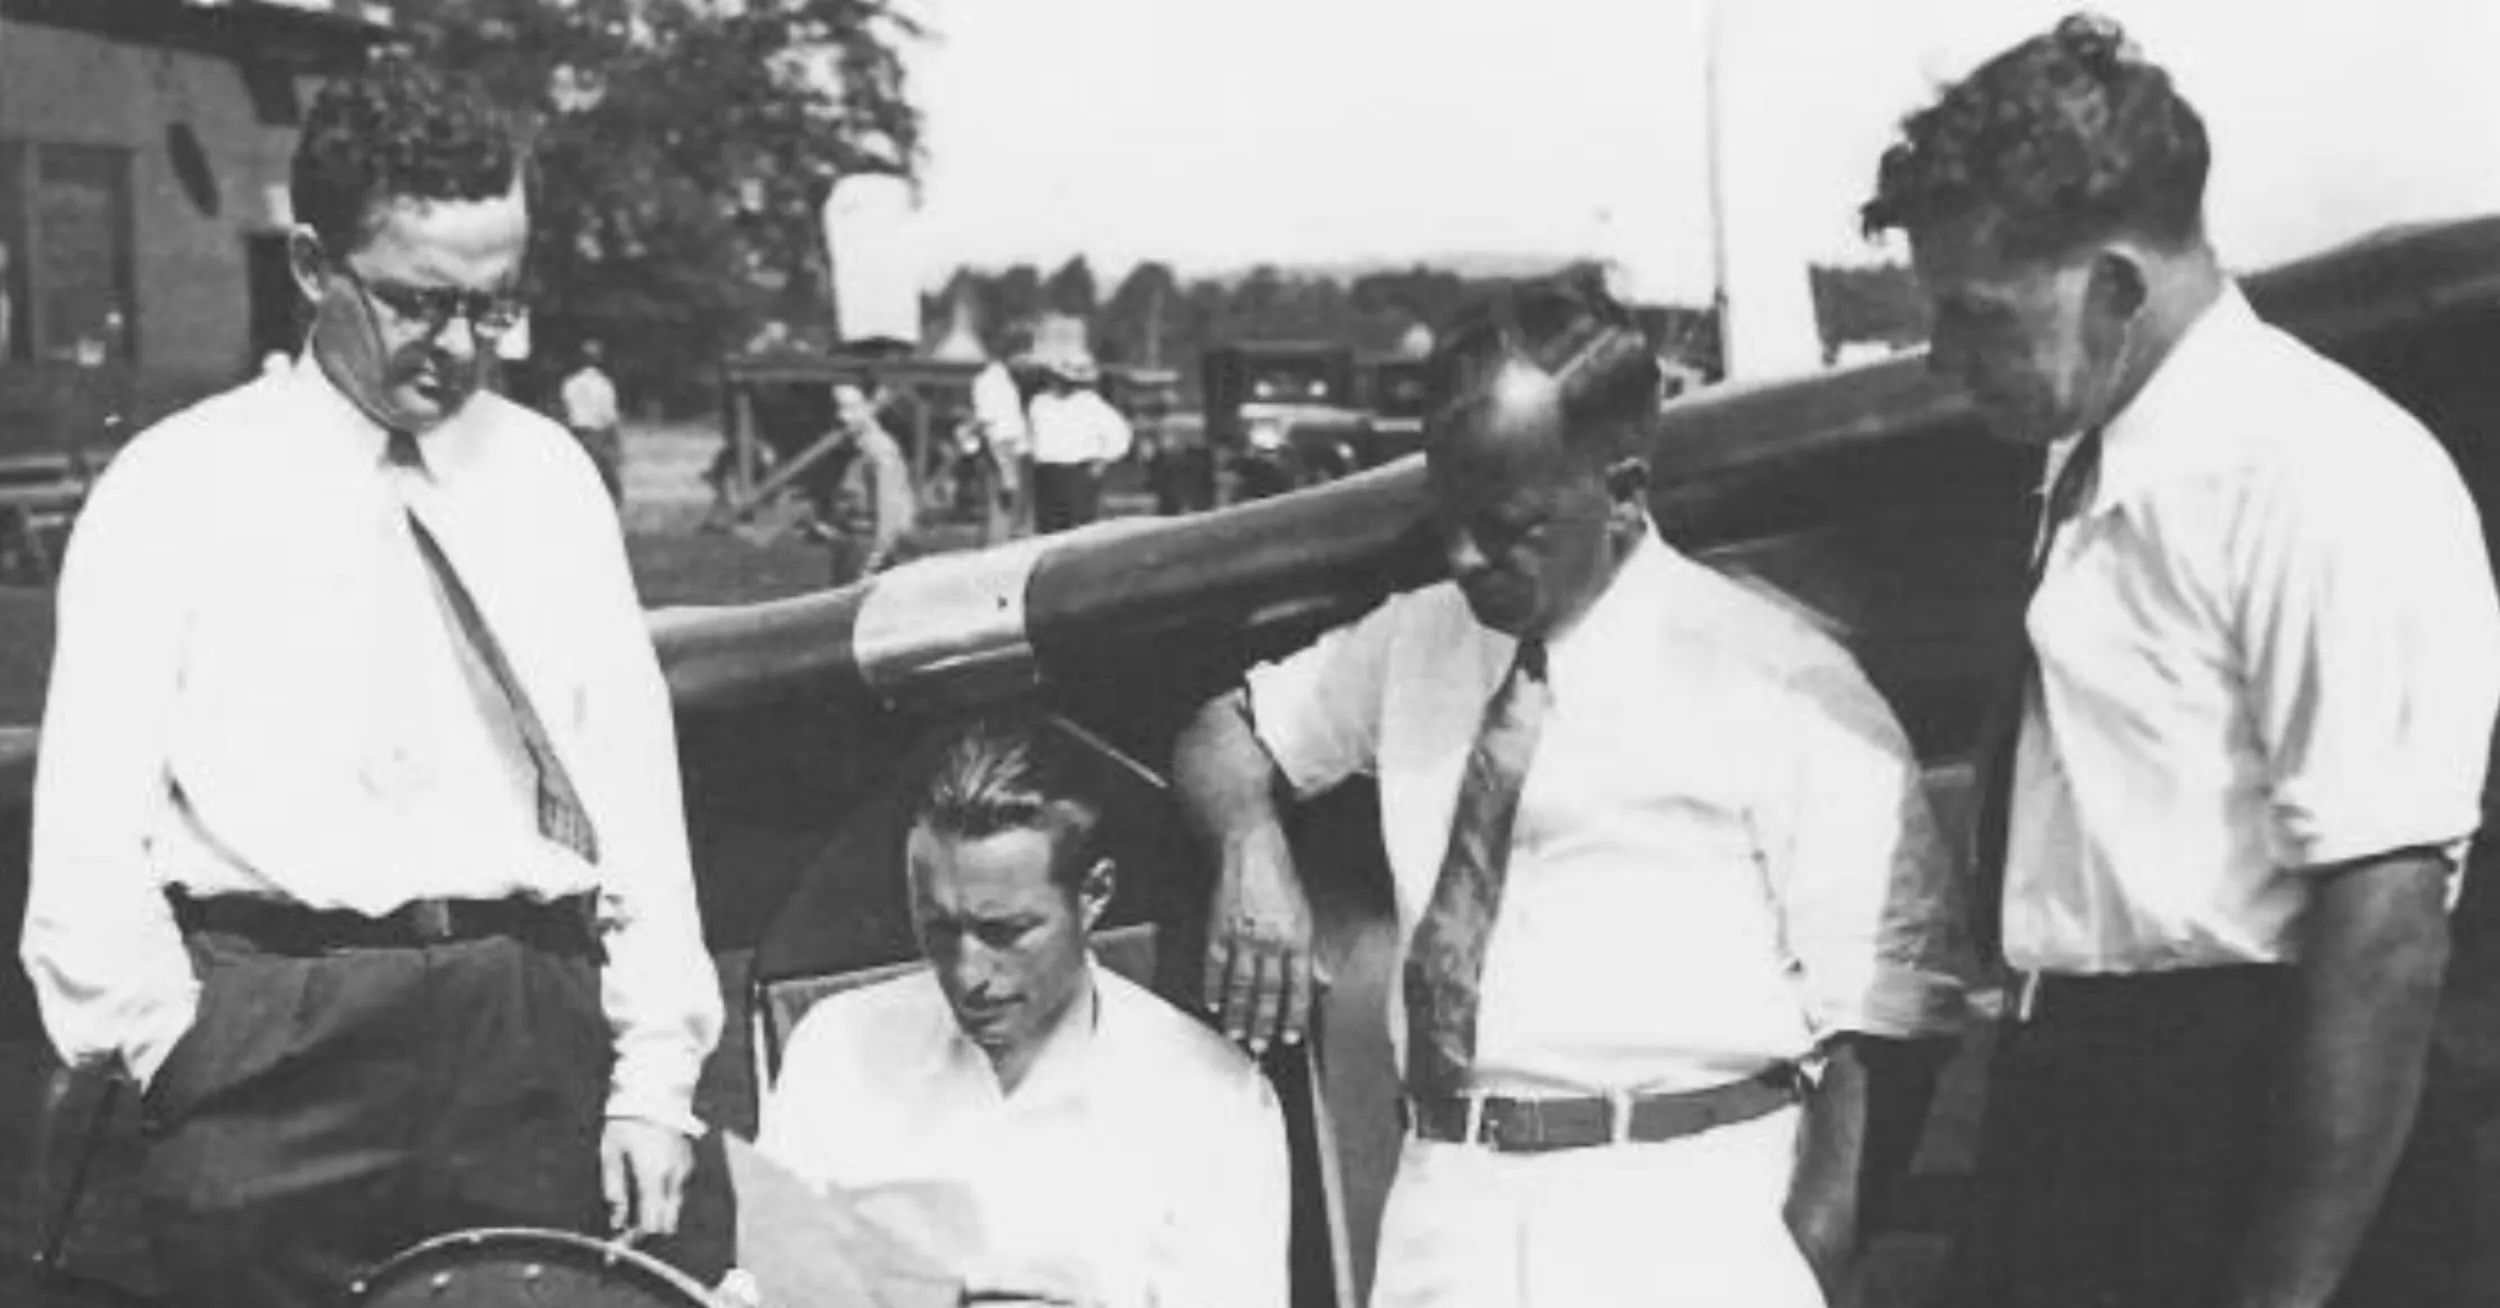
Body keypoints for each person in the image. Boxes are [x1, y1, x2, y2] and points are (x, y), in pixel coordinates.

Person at [19, 58, 722, 1308]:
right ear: (307, 265)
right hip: (268, 1052)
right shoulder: (175, 489)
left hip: (524, 1034)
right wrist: (177, 1049)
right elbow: (84, 843)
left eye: (494, 308)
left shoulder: (550, 480)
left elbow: (637, 799)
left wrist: (654, 1081)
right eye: (417, 302)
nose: (459, 348)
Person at [1860, 16, 2500, 1308]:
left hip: (2253, 1122)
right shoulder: (2090, 448)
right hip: (2074, 1108)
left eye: (1976, 317)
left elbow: (2383, 936)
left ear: (2114, 286)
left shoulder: (2320, 478)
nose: (1939, 360)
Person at [1174, 273, 1967, 1308]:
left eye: (1506, 525)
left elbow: (1887, 1017)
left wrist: (1798, 1269)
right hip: (1446, 1215)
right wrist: (1249, 844)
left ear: (1624, 490)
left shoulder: (1782, 687)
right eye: (1446, 514)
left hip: (1679, 1210)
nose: (1461, 555)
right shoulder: (1413, 641)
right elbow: (1220, 733)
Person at [757, 712, 1291, 1308]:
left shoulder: (1215, 1103)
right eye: (938, 927)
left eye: (1005, 931)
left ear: (1094, 895)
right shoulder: (837, 1048)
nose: (968, 975)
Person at [816, 381, 917, 585]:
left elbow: (892, 514)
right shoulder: (856, 450)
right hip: (852, 544)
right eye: (839, 409)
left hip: (867, 549)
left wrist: (873, 563)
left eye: (851, 409)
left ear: (870, 407)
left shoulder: (879, 452)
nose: (843, 417)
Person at [1025, 344, 1131, 533]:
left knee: (1079, 531)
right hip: (1047, 474)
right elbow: (1031, 436)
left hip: (1078, 475)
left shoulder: (1090, 403)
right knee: (1048, 531)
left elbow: (1120, 434)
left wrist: (1102, 461)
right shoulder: (1039, 403)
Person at [561, 338, 626, 507]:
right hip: (597, 437)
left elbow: (565, 412)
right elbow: (610, 418)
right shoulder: (604, 384)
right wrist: (617, 445)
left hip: (575, 435)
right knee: (608, 485)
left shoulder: (570, 383)